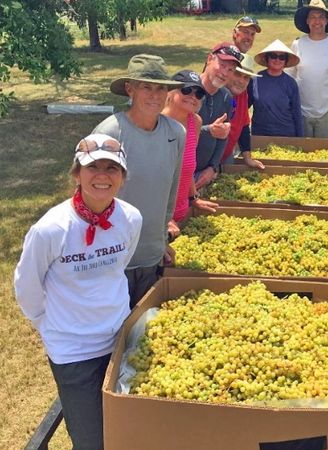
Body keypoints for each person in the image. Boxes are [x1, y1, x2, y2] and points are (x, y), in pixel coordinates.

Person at [14, 134, 142, 450]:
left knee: (126, 427)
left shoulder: (130, 218)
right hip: (73, 351)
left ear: (123, 177)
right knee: (91, 440)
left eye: (111, 168)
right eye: (92, 167)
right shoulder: (52, 228)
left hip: (118, 339)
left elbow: (119, 266)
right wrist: (52, 325)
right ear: (76, 173)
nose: (102, 176)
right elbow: (27, 285)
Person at [94, 54, 186, 306]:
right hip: (112, 258)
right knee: (112, 334)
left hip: (151, 255)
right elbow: (87, 198)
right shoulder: (110, 134)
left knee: (144, 329)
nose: (155, 95)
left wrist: (161, 241)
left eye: (161, 88)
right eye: (146, 87)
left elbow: (170, 190)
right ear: (130, 88)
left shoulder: (175, 133)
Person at [162, 70, 219, 240]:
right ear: (171, 92)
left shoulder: (195, 122)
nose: (193, 96)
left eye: (199, 93)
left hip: (182, 211)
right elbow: (152, 181)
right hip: (161, 218)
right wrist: (164, 218)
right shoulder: (158, 123)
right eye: (186, 90)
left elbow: (186, 168)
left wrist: (193, 198)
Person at [287, 0, 328, 138]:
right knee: (302, 154)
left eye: (321, 17)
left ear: (326, 21)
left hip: (327, 110)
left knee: (324, 153)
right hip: (301, 109)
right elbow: (289, 76)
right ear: (307, 21)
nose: (317, 21)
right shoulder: (298, 44)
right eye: (313, 17)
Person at [195, 42, 243, 189]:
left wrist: (213, 167)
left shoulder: (226, 98)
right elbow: (174, 130)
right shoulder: (188, 91)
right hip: (179, 172)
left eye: (231, 70)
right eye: (222, 65)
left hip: (204, 175)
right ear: (209, 59)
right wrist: (208, 130)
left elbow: (223, 135)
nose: (225, 73)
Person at [252, 39, 303, 138]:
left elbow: (297, 112)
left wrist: (299, 139)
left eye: (282, 57)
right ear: (267, 58)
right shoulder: (256, 79)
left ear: (285, 61)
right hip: (260, 135)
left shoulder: (291, 83)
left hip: (286, 134)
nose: (277, 60)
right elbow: (243, 105)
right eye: (273, 56)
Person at [222, 54, 264, 168]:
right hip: (205, 160)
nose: (241, 81)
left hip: (226, 155)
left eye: (246, 77)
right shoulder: (217, 93)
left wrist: (247, 158)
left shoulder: (243, 95)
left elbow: (244, 126)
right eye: (238, 74)